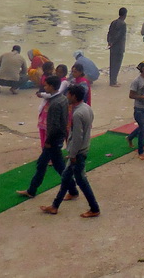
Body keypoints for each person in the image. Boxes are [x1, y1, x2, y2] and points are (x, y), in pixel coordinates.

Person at [41, 85, 100, 218]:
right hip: (82, 149)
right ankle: (55, 205)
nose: (67, 96)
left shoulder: (77, 113)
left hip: (78, 152)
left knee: (81, 181)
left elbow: (77, 137)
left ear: (73, 96)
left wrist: (72, 154)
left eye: (68, 94)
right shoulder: (87, 108)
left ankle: (94, 208)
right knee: (66, 177)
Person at [17, 76, 76, 199]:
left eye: (46, 85)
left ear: (52, 86)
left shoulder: (54, 104)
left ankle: (72, 189)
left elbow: (54, 125)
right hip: (58, 138)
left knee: (56, 166)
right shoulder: (63, 99)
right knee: (43, 164)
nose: (44, 87)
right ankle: (32, 190)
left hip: (53, 140)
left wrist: (48, 141)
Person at [107, 7, 128, 86]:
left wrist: (109, 42)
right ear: (125, 15)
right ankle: (113, 82)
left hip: (112, 46)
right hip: (119, 47)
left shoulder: (113, 22)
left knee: (112, 63)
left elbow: (109, 33)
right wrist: (113, 42)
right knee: (117, 64)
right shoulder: (123, 24)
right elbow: (119, 35)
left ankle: (112, 80)